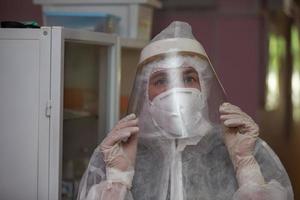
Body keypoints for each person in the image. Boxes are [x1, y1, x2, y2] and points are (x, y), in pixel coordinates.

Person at [77, 21, 294, 200]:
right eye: (161, 80)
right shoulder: (118, 151)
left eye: (188, 78)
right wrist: (118, 178)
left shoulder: (241, 146)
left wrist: (246, 166)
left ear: (204, 87)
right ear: (145, 93)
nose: (176, 90)